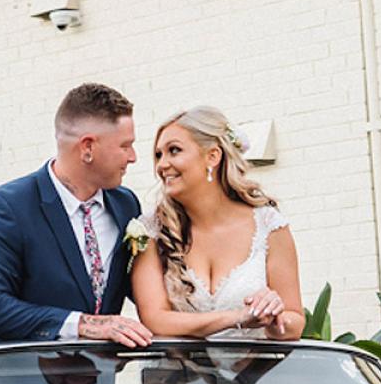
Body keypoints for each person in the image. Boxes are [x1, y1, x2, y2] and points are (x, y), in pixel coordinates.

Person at [0, 83, 154, 347]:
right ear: (87, 147)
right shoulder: (5, 207)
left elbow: (145, 287)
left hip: (95, 382)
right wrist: (85, 325)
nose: (133, 157)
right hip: (14, 380)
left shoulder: (126, 205)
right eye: (125, 145)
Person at [129, 106, 304, 340]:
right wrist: (238, 317)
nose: (162, 165)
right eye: (159, 155)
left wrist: (273, 317)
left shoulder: (268, 224)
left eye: (174, 151)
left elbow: (295, 320)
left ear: (213, 156)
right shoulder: (151, 230)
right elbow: (155, 319)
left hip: (254, 375)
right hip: (174, 375)